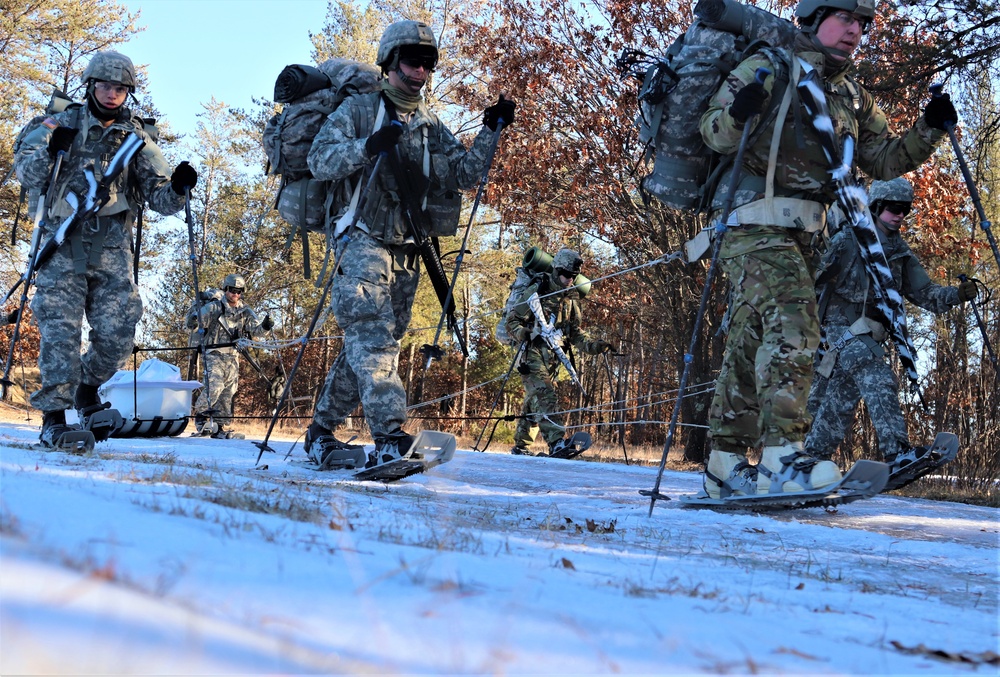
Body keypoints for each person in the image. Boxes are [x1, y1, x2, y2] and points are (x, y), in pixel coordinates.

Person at [697, 0, 956, 498]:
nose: (856, 31)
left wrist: (928, 130)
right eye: (846, 19)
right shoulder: (770, 66)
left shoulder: (852, 97)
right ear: (814, 21)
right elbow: (713, 132)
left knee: (751, 338)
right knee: (796, 321)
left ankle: (724, 463)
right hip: (750, 223)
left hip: (804, 234)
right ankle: (782, 458)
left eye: (863, 23)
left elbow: (883, 161)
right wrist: (737, 111)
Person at [303, 20, 515, 469]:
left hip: (407, 248)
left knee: (370, 343)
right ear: (389, 62)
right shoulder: (360, 110)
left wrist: (492, 130)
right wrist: (367, 146)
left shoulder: (428, 123)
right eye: (411, 61)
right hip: (359, 238)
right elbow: (319, 160)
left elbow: (463, 173)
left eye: (427, 63)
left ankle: (321, 432)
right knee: (374, 339)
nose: (420, 71)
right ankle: (390, 436)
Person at [14, 50, 197, 449]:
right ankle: (54, 417)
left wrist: (179, 188)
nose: (112, 94)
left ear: (127, 92)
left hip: (113, 249)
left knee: (118, 333)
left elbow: (159, 199)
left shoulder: (137, 140)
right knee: (60, 333)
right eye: (105, 86)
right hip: (61, 244)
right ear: (90, 86)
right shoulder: (56, 124)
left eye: (120, 88)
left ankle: (86, 391)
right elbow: (24, 173)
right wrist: (50, 151)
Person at [805, 177, 976, 474]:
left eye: (905, 210)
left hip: (869, 331)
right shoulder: (847, 241)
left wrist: (957, 294)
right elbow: (810, 279)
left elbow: (924, 293)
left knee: (839, 400)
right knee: (877, 375)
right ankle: (897, 452)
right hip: (839, 327)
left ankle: (809, 460)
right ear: (876, 207)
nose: (899, 215)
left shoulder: (899, 252)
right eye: (894, 208)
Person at [505, 248, 611, 456]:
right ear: (556, 270)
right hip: (530, 353)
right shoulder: (537, 290)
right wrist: (526, 333)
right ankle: (556, 442)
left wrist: (596, 346)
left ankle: (521, 446)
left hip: (552, 357)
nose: (569, 279)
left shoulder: (570, 300)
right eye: (566, 274)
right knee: (545, 394)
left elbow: (576, 334)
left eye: (573, 276)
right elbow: (512, 322)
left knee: (535, 399)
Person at [187, 274, 273, 439]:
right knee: (215, 385)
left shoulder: (245, 311)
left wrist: (265, 326)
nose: (235, 294)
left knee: (229, 391)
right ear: (226, 290)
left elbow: (256, 331)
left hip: (232, 356)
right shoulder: (214, 307)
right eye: (232, 290)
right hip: (214, 353)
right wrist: (194, 321)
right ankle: (201, 418)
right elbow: (193, 323)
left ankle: (219, 426)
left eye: (239, 291)